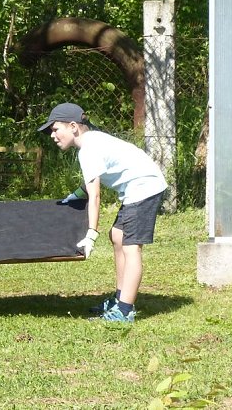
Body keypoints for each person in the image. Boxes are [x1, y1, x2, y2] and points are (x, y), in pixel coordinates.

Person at [39, 103, 167, 323]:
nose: (53, 135)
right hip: (137, 188)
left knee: (131, 246)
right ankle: (120, 298)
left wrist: (91, 234)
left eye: (55, 129)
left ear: (73, 127)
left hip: (145, 187)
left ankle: (124, 310)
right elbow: (93, 183)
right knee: (117, 236)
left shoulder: (88, 150)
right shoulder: (92, 141)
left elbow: (95, 196)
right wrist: (76, 194)